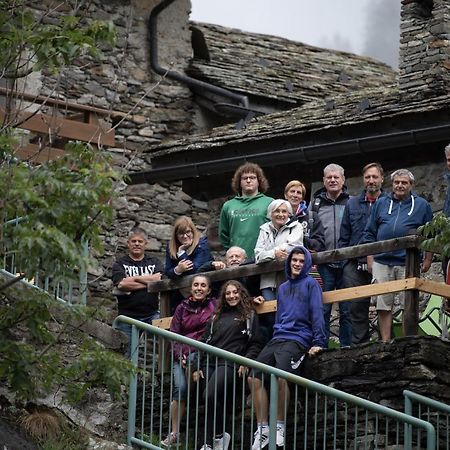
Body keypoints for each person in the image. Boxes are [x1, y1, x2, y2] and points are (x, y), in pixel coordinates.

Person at [248, 246, 326, 450]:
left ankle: (279, 427)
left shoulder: (311, 284)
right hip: (278, 337)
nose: (297, 263)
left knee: (282, 375)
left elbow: (317, 312)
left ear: (306, 263)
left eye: (301, 261)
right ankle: (263, 428)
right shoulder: (282, 288)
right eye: (294, 260)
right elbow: (281, 315)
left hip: (299, 338)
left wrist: (318, 342)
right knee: (253, 375)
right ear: (289, 262)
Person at [362, 169, 433, 343]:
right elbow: (370, 232)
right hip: (382, 261)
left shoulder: (422, 205)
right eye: (397, 182)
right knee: (383, 304)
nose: (400, 185)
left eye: (404, 182)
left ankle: (407, 342)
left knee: (408, 304)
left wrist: (428, 258)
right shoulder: (382, 203)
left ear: (411, 185)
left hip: (407, 262)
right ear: (392, 184)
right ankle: (386, 342)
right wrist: (370, 259)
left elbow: (432, 234)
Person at [192, 280, 263, 450]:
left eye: (235, 292)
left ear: (241, 293)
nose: (231, 296)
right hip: (210, 361)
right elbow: (203, 342)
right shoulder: (216, 316)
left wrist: (246, 361)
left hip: (230, 363)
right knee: (211, 399)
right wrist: (196, 366)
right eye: (228, 293)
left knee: (209, 395)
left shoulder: (249, 315)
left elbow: (255, 343)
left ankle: (211, 442)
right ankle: (215, 439)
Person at [161, 275, 216, 447]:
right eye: (196, 285)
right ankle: (174, 433)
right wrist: (179, 356)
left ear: (208, 290)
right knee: (181, 388)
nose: (199, 288)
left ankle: (195, 372)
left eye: (203, 285)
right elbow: (174, 335)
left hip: (203, 352)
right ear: (191, 288)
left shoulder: (214, 305)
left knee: (195, 366)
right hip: (182, 355)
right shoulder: (181, 308)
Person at [338, 162, 386, 345]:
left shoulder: (388, 202)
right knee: (356, 307)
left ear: (382, 178)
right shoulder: (352, 204)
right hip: (355, 264)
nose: (371, 181)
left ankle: (385, 344)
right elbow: (344, 236)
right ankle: (361, 346)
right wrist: (345, 264)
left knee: (384, 304)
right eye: (368, 177)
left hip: (382, 262)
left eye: (375, 177)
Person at [311, 163, 351, 348]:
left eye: (336, 177)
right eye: (329, 177)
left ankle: (347, 347)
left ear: (343, 180)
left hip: (347, 262)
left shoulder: (352, 201)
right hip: (323, 263)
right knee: (323, 308)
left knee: (347, 309)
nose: (333, 180)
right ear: (324, 181)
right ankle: (322, 346)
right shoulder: (315, 204)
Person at [111, 227, 163, 357]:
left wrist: (134, 278)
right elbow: (122, 284)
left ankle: (161, 376)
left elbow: (159, 279)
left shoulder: (154, 261)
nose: (137, 244)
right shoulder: (120, 263)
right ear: (128, 243)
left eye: (140, 241)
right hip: (127, 317)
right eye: (133, 241)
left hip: (151, 315)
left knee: (164, 345)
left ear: (146, 243)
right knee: (125, 355)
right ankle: (128, 378)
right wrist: (148, 282)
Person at [219, 162, 273, 259]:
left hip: (264, 259)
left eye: (252, 177)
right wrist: (233, 252)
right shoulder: (228, 206)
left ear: (259, 181)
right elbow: (223, 234)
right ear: (239, 182)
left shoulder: (269, 203)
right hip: (238, 260)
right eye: (244, 178)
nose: (248, 180)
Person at [255, 199, 304, 300]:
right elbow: (258, 256)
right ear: (271, 213)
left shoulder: (296, 227)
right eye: (277, 211)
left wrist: (270, 253)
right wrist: (274, 253)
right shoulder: (264, 229)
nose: (280, 214)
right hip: (267, 281)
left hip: (289, 278)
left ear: (288, 214)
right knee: (270, 313)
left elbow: (293, 247)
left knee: (288, 311)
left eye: (284, 211)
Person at [165, 216, 214, 310]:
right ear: (176, 235)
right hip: (180, 295)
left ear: (193, 232)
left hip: (204, 293)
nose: (185, 236)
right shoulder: (171, 246)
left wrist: (181, 253)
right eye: (181, 233)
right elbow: (167, 271)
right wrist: (177, 270)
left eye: (188, 232)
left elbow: (195, 270)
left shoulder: (202, 244)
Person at [284, 179, 325, 252]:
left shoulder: (312, 217)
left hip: (303, 261)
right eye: (292, 191)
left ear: (302, 198)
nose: (295, 195)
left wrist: (300, 238)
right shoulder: (278, 216)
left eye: (299, 193)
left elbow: (320, 245)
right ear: (285, 195)